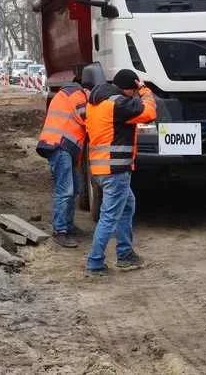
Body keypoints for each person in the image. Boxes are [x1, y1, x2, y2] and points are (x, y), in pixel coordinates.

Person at [84, 68, 157, 277]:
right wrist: (144, 90)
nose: (134, 95)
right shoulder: (119, 104)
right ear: (129, 89)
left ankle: (125, 254)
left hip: (99, 168)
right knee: (109, 216)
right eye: (133, 91)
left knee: (127, 206)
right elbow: (150, 112)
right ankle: (95, 262)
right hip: (115, 170)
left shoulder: (97, 101)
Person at [36, 70, 91, 248]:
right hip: (60, 146)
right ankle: (60, 230)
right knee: (65, 190)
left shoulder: (65, 94)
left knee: (75, 188)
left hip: (63, 147)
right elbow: (88, 119)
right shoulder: (77, 94)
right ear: (87, 88)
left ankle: (67, 225)